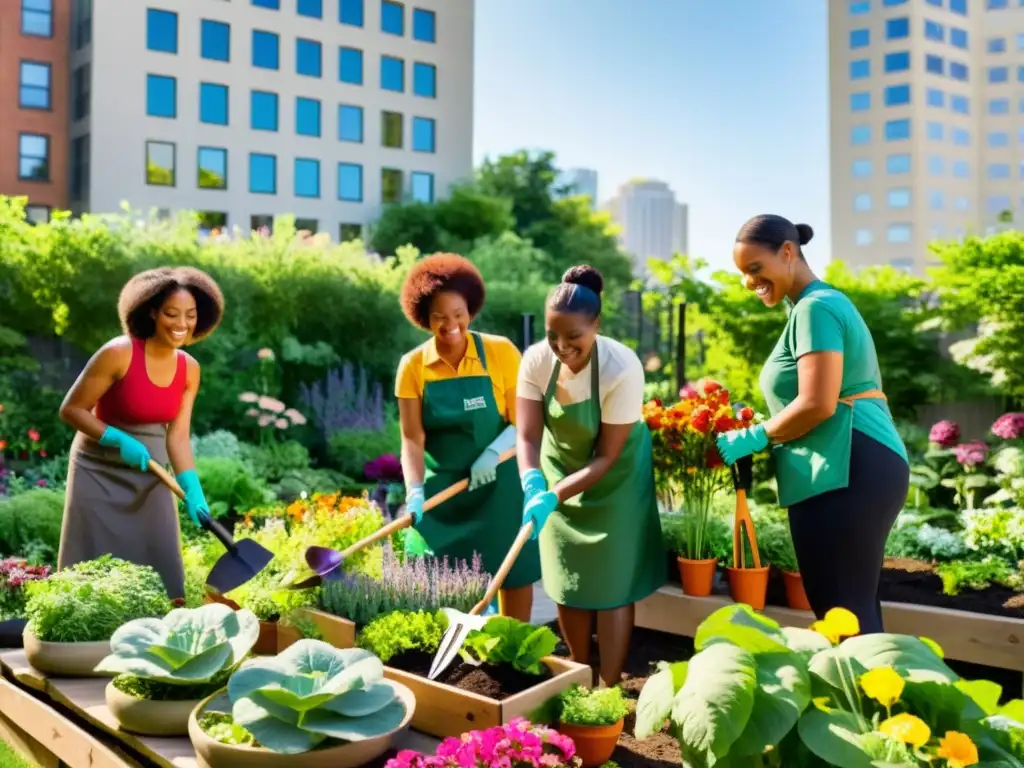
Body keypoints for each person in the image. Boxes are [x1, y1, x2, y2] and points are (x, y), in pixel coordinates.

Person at [715, 215, 909, 634]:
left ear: (788, 253)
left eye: (755, 269)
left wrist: (755, 435)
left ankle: (866, 697)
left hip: (847, 465)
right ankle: (875, 699)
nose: (750, 282)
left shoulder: (815, 308)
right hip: (850, 464)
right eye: (743, 274)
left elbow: (817, 402)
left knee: (843, 610)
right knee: (849, 606)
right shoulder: (813, 307)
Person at [516, 265, 665, 686]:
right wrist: (532, 482)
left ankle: (610, 685)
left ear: (596, 325)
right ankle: (580, 674)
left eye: (573, 337)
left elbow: (605, 457)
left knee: (612, 580)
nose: (561, 347)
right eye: (552, 336)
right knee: (567, 578)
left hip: (615, 477)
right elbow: (527, 435)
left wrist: (554, 496)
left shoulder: (621, 367)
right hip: (558, 467)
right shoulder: (536, 360)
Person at [58, 267, 224, 601]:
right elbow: (71, 410)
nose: (181, 324)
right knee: (92, 565)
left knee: (159, 558)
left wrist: (192, 487)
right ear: (151, 311)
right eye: (171, 313)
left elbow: (177, 435)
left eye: (190, 316)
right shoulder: (117, 353)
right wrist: (117, 439)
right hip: (98, 467)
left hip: (152, 470)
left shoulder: (189, 368)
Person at [395, 253, 540, 622]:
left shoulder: (501, 352)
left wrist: (493, 452)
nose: (451, 325)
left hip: (500, 485)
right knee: (443, 578)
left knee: (513, 571)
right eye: (439, 317)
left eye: (458, 314)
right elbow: (412, 439)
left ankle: (514, 646)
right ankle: (458, 656)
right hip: (445, 492)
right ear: (424, 318)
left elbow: (524, 422)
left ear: (470, 310)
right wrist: (414, 490)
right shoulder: (412, 367)